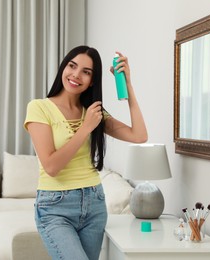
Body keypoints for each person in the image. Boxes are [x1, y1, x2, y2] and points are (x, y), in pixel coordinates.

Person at [24, 45, 147, 260]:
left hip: (94, 204)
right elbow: (51, 166)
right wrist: (85, 129)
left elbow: (139, 135)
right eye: (72, 66)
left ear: (92, 80)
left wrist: (128, 85)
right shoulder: (39, 108)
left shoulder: (93, 112)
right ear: (64, 67)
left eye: (86, 72)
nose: (76, 75)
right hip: (55, 208)